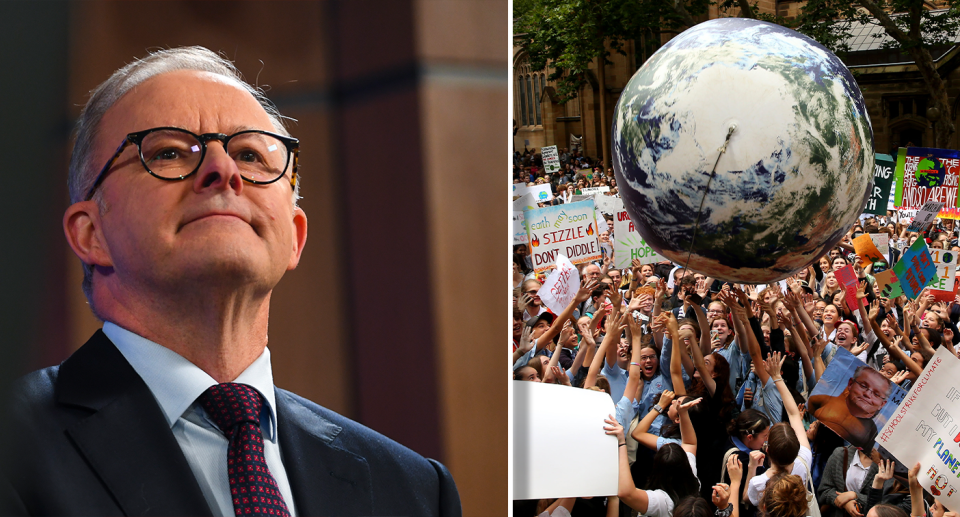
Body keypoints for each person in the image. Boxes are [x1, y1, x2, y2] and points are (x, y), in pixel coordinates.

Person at [3, 47, 460, 516]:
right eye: (168, 152)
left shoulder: (412, 490)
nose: (223, 172)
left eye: (249, 154)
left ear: (295, 238)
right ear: (90, 232)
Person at [807, 365, 892, 450]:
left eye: (876, 394)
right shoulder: (826, 400)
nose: (867, 394)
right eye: (863, 386)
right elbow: (810, 404)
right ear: (850, 384)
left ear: (882, 404)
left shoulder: (871, 431)